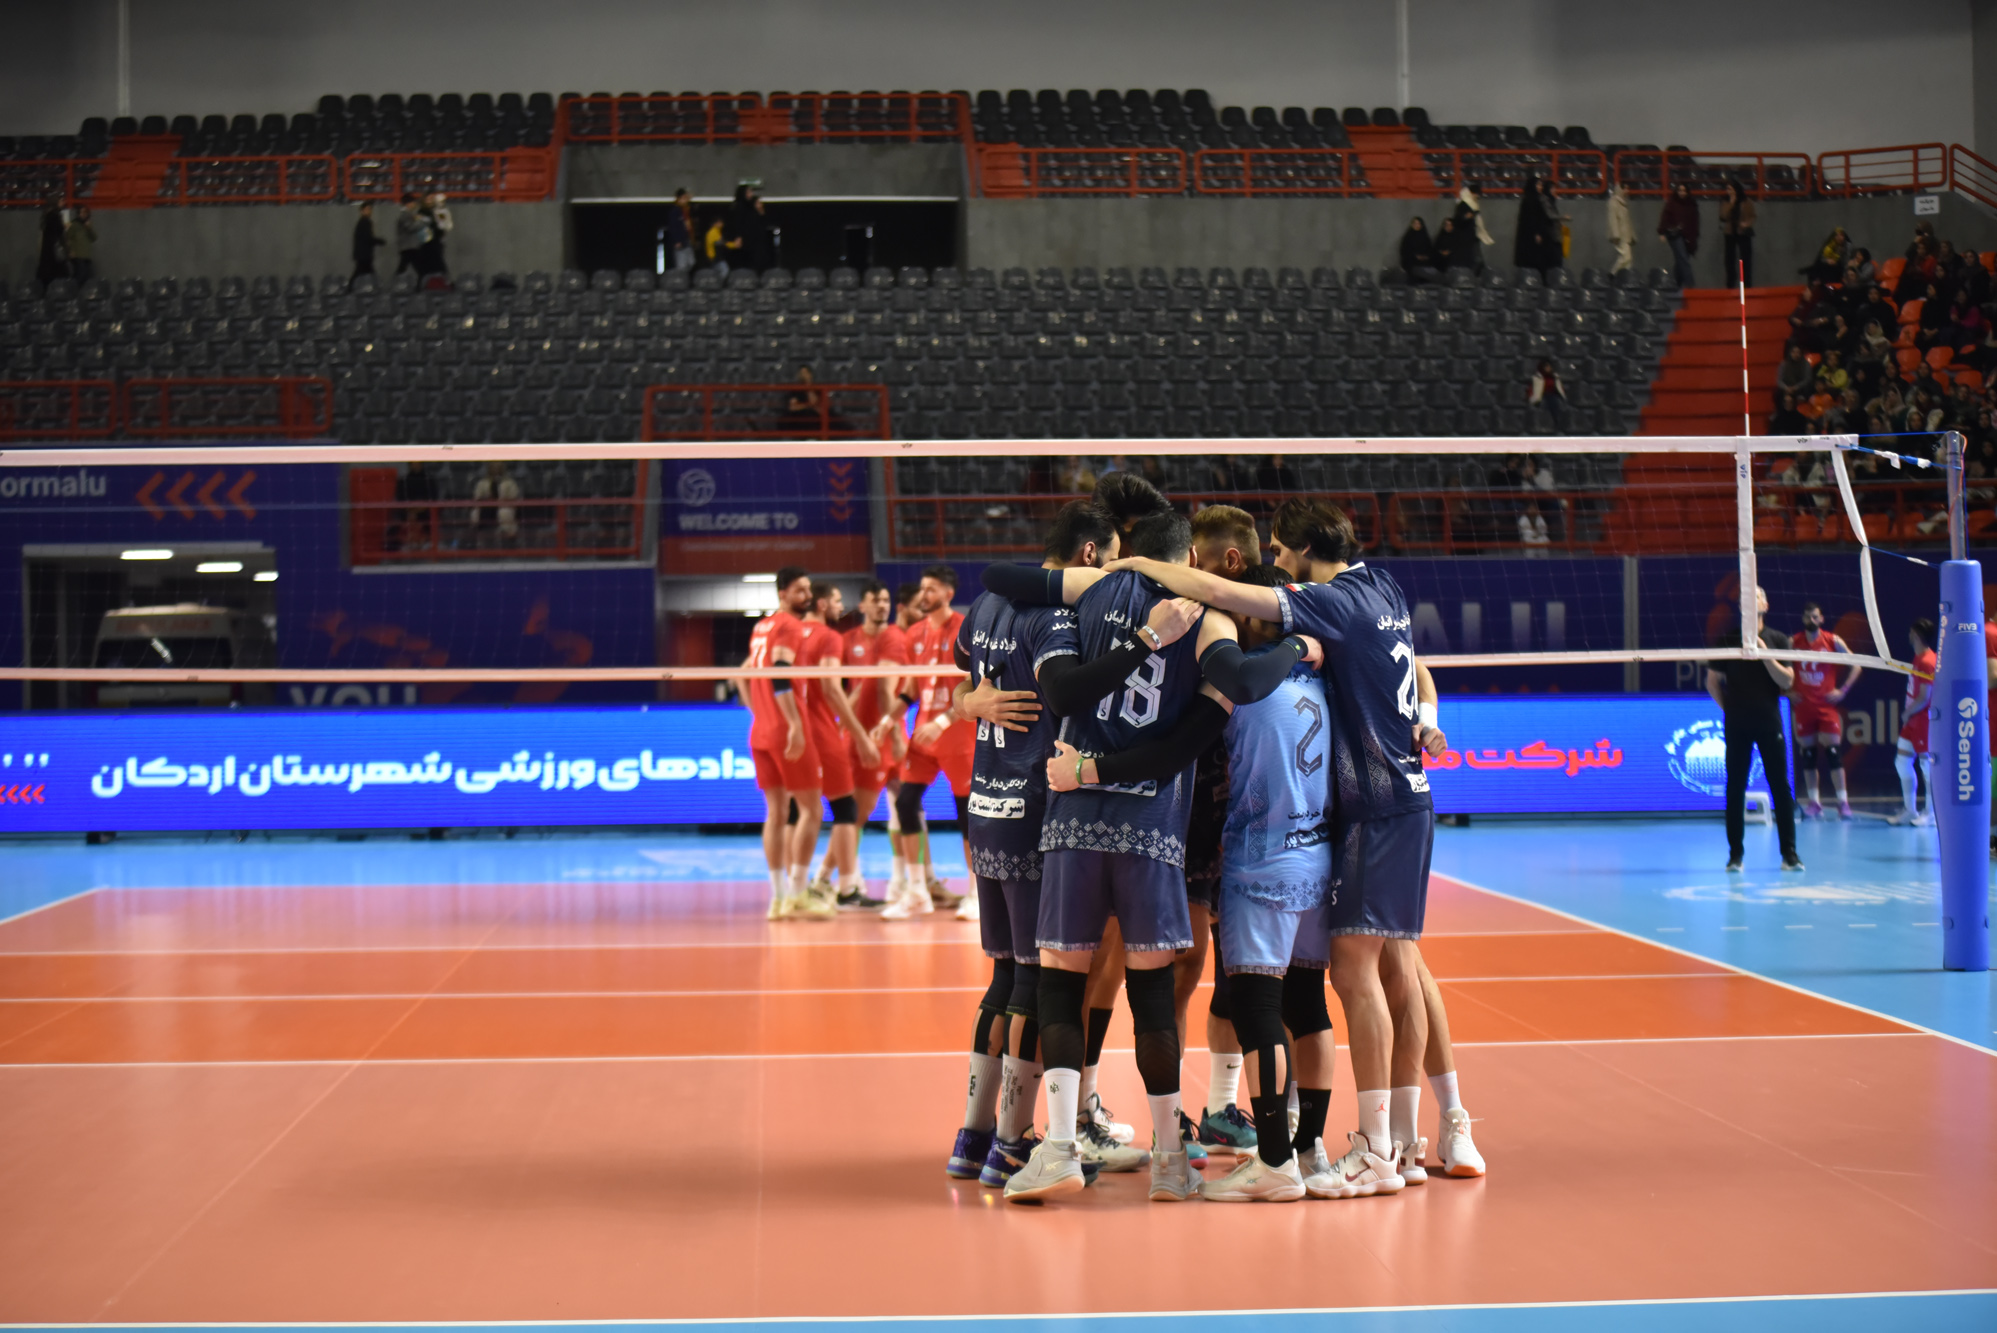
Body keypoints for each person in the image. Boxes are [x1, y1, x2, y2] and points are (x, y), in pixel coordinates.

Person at [1102, 499, 1441, 1201]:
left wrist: (1137, 567)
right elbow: (1415, 668)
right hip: (1324, 858)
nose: (1278, 558)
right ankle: (1315, 1148)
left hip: (1262, 860)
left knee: (1264, 1007)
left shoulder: (1242, 684)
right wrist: (1424, 718)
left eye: (1284, 549)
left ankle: (1280, 1160)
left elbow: (1194, 717)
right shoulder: (1336, 654)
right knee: (1311, 1003)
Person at [997, 507, 1320, 1204]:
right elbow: (1207, 719)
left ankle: (1059, 1147)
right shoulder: (1207, 617)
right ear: (1188, 560)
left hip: (1074, 824)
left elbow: (1012, 599)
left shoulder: (1082, 596)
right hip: (1153, 830)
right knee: (1153, 997)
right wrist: (1296, 647)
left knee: (1062, 987)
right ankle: (1171, 1160)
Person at [946, 499, 1188, 1187]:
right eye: (1111, 557)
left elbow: (964, 672)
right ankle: (1014, 1141)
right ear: (1089, 553)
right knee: (1037, 980)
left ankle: (974, 1137)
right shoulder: (1055, 615)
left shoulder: (985, 605)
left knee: (1005, 976)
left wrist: (967, 702)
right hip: (1034, 808)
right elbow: (1064, 692)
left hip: (984, 808)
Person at [807, 579, 906, 908]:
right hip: (865, 739)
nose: (882, 605)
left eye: (886, 600)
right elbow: (850, 689)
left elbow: (884, 690)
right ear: (862, 606)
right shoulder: (846, 640)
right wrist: (848, 726)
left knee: (907, 810)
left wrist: (893, 732)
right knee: (855, 816)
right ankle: (824, 881)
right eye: (876, 600)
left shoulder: (894, 637)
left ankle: (912, 882)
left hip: (885, 734)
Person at [883, 565, 975, 919]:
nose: (924, 595)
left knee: (966, 814)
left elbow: (975, 686)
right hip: (923, 735)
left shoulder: (965, 628)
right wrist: (886, 721)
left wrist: (942, 722)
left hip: (957, 733)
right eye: (922, 588)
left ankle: (976, 893)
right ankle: (917, 890)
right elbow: (911, 688)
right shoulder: (914, 633)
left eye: (931, 589)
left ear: (948, 594)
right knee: (906, 803)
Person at [788, 580, 880, 918]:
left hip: (793, 731)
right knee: (844, 809)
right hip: (821, 732)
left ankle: (794, 890)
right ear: (823, 604)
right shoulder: (829, 637)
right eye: (838, 600)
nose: (843, 607)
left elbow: (747, 674)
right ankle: (847, 888)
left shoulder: (789, 632)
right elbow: (830, 689)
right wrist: (860, 735)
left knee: (796, 811)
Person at [1704, 586, 1802, 873]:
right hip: (1737, 725)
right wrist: (1730, 710)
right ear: (1740, 606)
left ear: (1765, 605)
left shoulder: (1778, 639)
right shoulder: (1727, 640)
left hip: (1769, 722)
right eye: (1746, 596)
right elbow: (1712, 682)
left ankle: (1789, 855)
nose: (1751, 598)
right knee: (1735, 788)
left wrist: (1765, 654)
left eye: (1757, 594)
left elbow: (1787, 681)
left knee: (1780, 787)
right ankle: (1735, 856)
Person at [745, 569, 823, 918]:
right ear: (782, 594)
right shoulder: (790, 626)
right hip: (785, 729)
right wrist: (793, 723)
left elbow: (745, 674)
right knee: (811, 810)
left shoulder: (761, 626)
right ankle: (798, 893)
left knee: (776, 813)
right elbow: (779, 672)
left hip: (761, 730)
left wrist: (759, 710)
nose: (807, 595)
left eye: (808, 589)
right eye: (799, 590)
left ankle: (777, 898)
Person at [1789, 601, 1861, 820]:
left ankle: (1843, 803)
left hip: (1826, 707)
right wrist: (1786, 690)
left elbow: (1856, 665)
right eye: (1808, 616)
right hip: (1804, 707)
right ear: (1803, 619)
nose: (1812, 620)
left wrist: (1843, 690)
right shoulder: (1793, 642)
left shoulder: (1832, 640)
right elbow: (1776, 666)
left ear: (1821, 619)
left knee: (1834, 755)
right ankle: (1814, 803)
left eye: (1815, 616)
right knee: (1808, 756)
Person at [1889, 619, 1937, 827]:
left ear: (1916, 635)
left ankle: (1931, 814)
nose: (1908, 635)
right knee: (1902, 761)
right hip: (1913, 720)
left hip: (1923, 719)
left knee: (1927, 766)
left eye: (1911, 632)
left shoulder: (1928, 661)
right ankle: (1910, 810)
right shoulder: (1918, 657)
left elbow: (1925, 697)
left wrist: (1907, 712)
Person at [1658, 182, 1699, 290]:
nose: (1682, 193)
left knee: (1680, 260)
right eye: (1680, 190)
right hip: (1675, 234)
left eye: (1684, 190)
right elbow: (1665, 217)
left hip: (1689, 236)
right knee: (1683, 259)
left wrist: (1694, 237)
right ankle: (1690, 286)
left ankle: (1676, 284)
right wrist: (1662, 232)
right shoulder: (1672, 202)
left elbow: (1695, 222)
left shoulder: (1691, 204)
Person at [468, 461, 519, 543]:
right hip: (485, 508)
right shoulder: (482, 483)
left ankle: (508, 538)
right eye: (493, 467)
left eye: (498, 467)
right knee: (475, 513)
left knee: (504, 513)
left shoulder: (509, 482)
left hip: (504, 507)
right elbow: (476, 497)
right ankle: (475, 535)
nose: (496, 469)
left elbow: (514, 497)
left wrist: (503, 501)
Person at [1719, 181, 1755, 288]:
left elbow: (1752, 216)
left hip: (1743, 233)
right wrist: (1731, 203)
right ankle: (1730, 284)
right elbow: (1723, 216)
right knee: (1729, 260)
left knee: (1745, 259)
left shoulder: (1746, 201)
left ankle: (1747, 284)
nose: (1729, 191)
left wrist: (1746, 224)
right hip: (1730, 232)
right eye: (1727, 189)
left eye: (1731, 189)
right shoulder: (1725, 201)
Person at [1528, 357, 1569, 432]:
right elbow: (1532, 390)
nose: (1548, 368)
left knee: (1556, 403)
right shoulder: (1536, 378)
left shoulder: (1555, 377)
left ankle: (1558, 426)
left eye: (1549, 366)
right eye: (1546, 366)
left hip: (1553, 396)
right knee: (1547, 403)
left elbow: (1560, 389)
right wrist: (1532, 399)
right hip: (1541, 397)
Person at [1605, 183, 1635, 275]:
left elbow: (1627, 221)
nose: (1627, 191)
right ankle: (1612, 274)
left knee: (1628, 260)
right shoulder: (1613, 202)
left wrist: (1632, 236)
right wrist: (1615, 235)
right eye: (1625, 188)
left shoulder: (1623, 203)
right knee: (1626, 258)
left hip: (1626, 235)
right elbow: (1612, 219)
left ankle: (1623, 277)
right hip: (1620, 235)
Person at [36, 197, 67, 286]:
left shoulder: (46, 215)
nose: (63, 203)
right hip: (54, 249)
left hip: (47, 249)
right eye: (61, 201)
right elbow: (59, 231)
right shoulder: (55, 216)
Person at [394, 193, 427, 277]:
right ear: (408, 203)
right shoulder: (405, 215)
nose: (414, 204)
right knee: (419, 268)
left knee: (405, 267)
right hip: (409, 246)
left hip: (409, 247)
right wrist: (419, 221)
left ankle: (396, 280)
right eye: (413, 202)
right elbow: (410, 228)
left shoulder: (408, 214)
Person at [61, 206, 95, 286]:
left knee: (85, 277)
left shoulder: (87, 225)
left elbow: (94, 238)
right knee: (80, 275)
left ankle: (80, 291)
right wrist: (70, 251)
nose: (83, 214)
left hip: (86, 255)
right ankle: (72, 289)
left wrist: (89, 228)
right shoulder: (74, 224)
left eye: (85, 212)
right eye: (81, 212)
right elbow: (67, 238)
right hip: (77, 255)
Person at [421, 192, 453, 278]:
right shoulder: (422, 211)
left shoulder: (438, 210)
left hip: (436, 240)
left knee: (438, 261)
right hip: (425, 241)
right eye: (428, 199)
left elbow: (444, 224)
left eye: (432, 199)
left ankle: (444, 279)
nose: (430, 201)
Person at [351, 202, 385, 280]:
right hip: (364, 253)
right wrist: (379, 241)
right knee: (362, 271)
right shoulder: (365, 222)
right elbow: (368, 238)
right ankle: (351, 286)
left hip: (362, 253)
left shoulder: (362, 222)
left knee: (362, 271)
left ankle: (351, 285)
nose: (369, 211)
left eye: (370, 209)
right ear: (362, 211)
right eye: (367, 209)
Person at [665, 187, 696, 270]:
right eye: (683, 198)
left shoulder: (686, 210)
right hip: (680, 242)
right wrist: (677, 241)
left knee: (691, 262)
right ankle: (681, 276)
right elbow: (673, 227)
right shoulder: (675, 211)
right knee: (681, 264)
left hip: (687, 241)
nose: (685, 200)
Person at [1399, 217, 1435, 283]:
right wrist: (1415, 256)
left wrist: (1425, 257)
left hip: (1424, 263)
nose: (1417, 225)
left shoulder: (1425, 237)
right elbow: (1404, 251)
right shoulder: (1408, 237)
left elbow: (1430, 250)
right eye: (1415, 223)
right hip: (1411, 263)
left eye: (1418, 223)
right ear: (1412, 225)